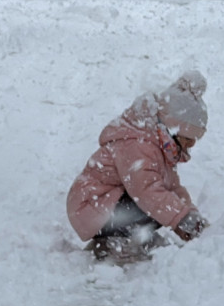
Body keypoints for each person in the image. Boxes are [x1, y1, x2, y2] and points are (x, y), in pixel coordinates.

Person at [67, 71, 211, 262]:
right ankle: (113, 241)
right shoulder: (137, 145)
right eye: (187, 140)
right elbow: (147, 192)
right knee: (152, 200)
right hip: (91, 205)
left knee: (163, 199)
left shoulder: (161, 146)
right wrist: (181, 219)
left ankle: (133, 234)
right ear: (172, 129)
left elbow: (173, 188)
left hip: (108, 203)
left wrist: (190, 214)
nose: (190, 146)